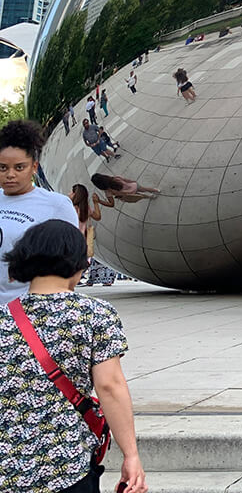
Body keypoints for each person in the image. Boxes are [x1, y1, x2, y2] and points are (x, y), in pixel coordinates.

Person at [0, 220, 148, 493]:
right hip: (69, 465)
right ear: (77, 262)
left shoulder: (3, 318)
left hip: (8, 470)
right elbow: (110, 386)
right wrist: (131, 455)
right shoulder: (95, 314)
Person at [0, 121, 81, 305]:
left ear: (34, 167)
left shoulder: (57, 204)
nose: (10, 174)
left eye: (19, 167)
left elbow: (73, 259)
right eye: (3, 167)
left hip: (29, 310)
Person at [91, 173, 160, 206]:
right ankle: (156, 190)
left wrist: (99, 201)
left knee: (142, 196)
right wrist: (133, 182)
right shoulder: (115, 178)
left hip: (130, 195)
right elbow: (127, 180)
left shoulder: (108, 192)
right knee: (145, 189)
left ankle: (151, 197)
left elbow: (111, 204)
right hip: (133, 186)